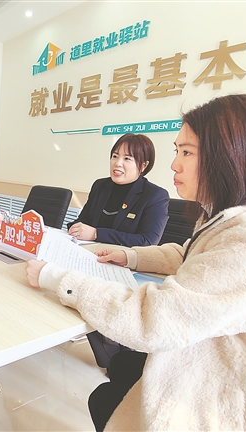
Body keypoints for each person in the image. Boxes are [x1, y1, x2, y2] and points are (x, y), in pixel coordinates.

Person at [26, 94, 246, 431]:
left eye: (187, 152)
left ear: (230, 156)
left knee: (108, 397)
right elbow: (195, 254)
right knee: (124, 367)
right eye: (177, 151)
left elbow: (154, 321)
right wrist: (131, 256)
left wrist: (60, 279)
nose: (174, 165)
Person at [67, 133, 169, 369]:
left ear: (143, 165)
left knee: (91, 292)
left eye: (127, 159)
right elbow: (83, 221)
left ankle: (118, 361)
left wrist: (96, 233)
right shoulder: (100, 186)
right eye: (114, 156)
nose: (117, 163)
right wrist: (76, 229)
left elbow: (148, 240)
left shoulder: (155, 196)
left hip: (125, 267)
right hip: (91, 259)